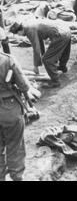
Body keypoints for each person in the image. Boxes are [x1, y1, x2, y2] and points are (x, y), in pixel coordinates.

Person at [9, 19, 71, 88]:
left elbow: (36, 48)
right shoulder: (29, 25)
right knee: (63, 51)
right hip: (66, 30)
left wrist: (36, 66)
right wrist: (44, 54)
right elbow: (39, 42)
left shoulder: (29, 30)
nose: (19, 35)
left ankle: (55, 82)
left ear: (20, 30)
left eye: (17, 34)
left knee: (47, 60)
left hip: (60, 34)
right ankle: (62, 67)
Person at [0, 52, 32, 181]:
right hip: (9, 108)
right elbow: (24, 85)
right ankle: (17, 176)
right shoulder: (7, 60)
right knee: (15, 146)